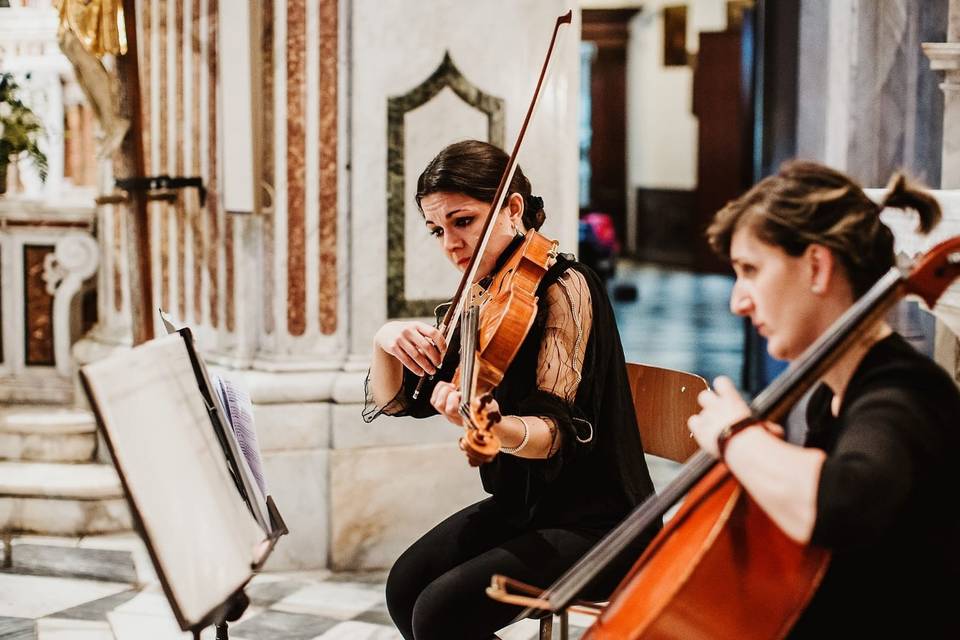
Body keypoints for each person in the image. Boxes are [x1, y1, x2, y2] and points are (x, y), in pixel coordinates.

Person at [364, 140, 659, 640]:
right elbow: (398, 401)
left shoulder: (567, 286)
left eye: (463, 221)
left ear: (513, 209)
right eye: (437, 229)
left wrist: (493, 427)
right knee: (404, 589)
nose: (450, 244)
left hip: (600, 522)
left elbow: (556, 432)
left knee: (440, 614)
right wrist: (385, 340)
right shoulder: (484, 292)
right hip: (524, 509)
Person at [688, 160, 960, 638]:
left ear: (817, 266)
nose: (738, 301)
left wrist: (737, 436)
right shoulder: (827, 399)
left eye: (750, 269)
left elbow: (843, 504)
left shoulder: (904, 392)